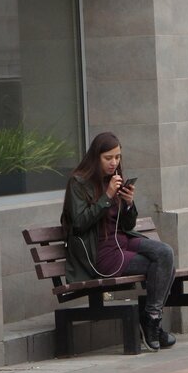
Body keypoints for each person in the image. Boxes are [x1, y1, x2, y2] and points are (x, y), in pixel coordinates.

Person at [61, 131, 176, 351]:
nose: (114, 163)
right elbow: (78, 223)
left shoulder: (114, 179)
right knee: (161, 266)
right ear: (96, 157)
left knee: (165, 253)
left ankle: (151, 318)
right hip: (100, 254)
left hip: (122, 242)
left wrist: (129, 204)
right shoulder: (78, 183)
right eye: (108, 158)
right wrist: (106, 196)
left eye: (118, 157)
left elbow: (127, 226)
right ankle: (152, 324)